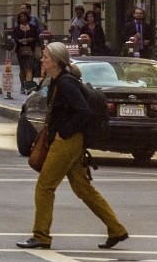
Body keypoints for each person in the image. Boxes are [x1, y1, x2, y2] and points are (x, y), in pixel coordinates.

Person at [17, 41, 127, 250]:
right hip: (71, 140)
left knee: (45, 186)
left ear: (56, 62)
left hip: (67, 141)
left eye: (46, 57)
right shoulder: (60, 81)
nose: (42, 60)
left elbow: (83, 111)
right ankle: (116, 229)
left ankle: (41, 235)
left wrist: (63, 132)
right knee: (83, 188)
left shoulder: (66, 83)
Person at [11, 11, 41, 94]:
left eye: (24, 16)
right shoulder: (16, 29)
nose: (22, 18)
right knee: (22, 69)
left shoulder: (33, 27)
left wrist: (31, 39)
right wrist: (19, 40)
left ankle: (29, 85)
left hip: (30, 50)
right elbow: (14, 38)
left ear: (27, 17)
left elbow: (37, 38)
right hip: (20, 50)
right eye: (21, 17)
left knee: (29, 68)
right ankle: (22, 85)